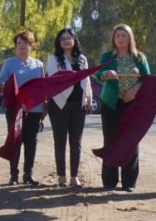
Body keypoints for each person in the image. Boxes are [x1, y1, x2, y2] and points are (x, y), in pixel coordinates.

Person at [95, 24, 150, 192]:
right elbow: (98, 74)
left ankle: (129, 182)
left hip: (133, 105)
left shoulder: (139, 58)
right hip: (111, 104)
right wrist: (106, 74)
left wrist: (135, 91)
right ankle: (109, 181)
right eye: (117, 35)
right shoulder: (107, 56)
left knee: (131, 141)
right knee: (111, 140)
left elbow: (146, 79)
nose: (120, 38)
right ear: (114, 39)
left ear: (129, 38)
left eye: (123, 35)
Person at [46, 28, 93, 187]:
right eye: (63, 38)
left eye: (69, 37)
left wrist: (89, 98)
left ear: (74, 40)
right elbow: (55, 79)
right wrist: (73, 74)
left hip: (78, 105)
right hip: (59, 104)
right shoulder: (54, 59)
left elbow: (86, 80)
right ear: (59, 42)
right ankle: (61, 177)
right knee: (60, 141)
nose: (66, 40)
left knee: (76, 142)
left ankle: (74, 176)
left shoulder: (82, 59)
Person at [0, 30, 45, 186]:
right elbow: (2, 84)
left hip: (35, 109)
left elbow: (43, 87)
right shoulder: (9, 63)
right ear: (15, 47)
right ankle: (14, 175)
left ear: (31, 45)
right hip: (15, 109)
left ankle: (28, 174)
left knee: (31, 142)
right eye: (19, 43)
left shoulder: (38, 65)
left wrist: (44, 108)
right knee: (15, 140)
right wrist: (6, 87)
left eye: (25, 43)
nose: (22, 46)